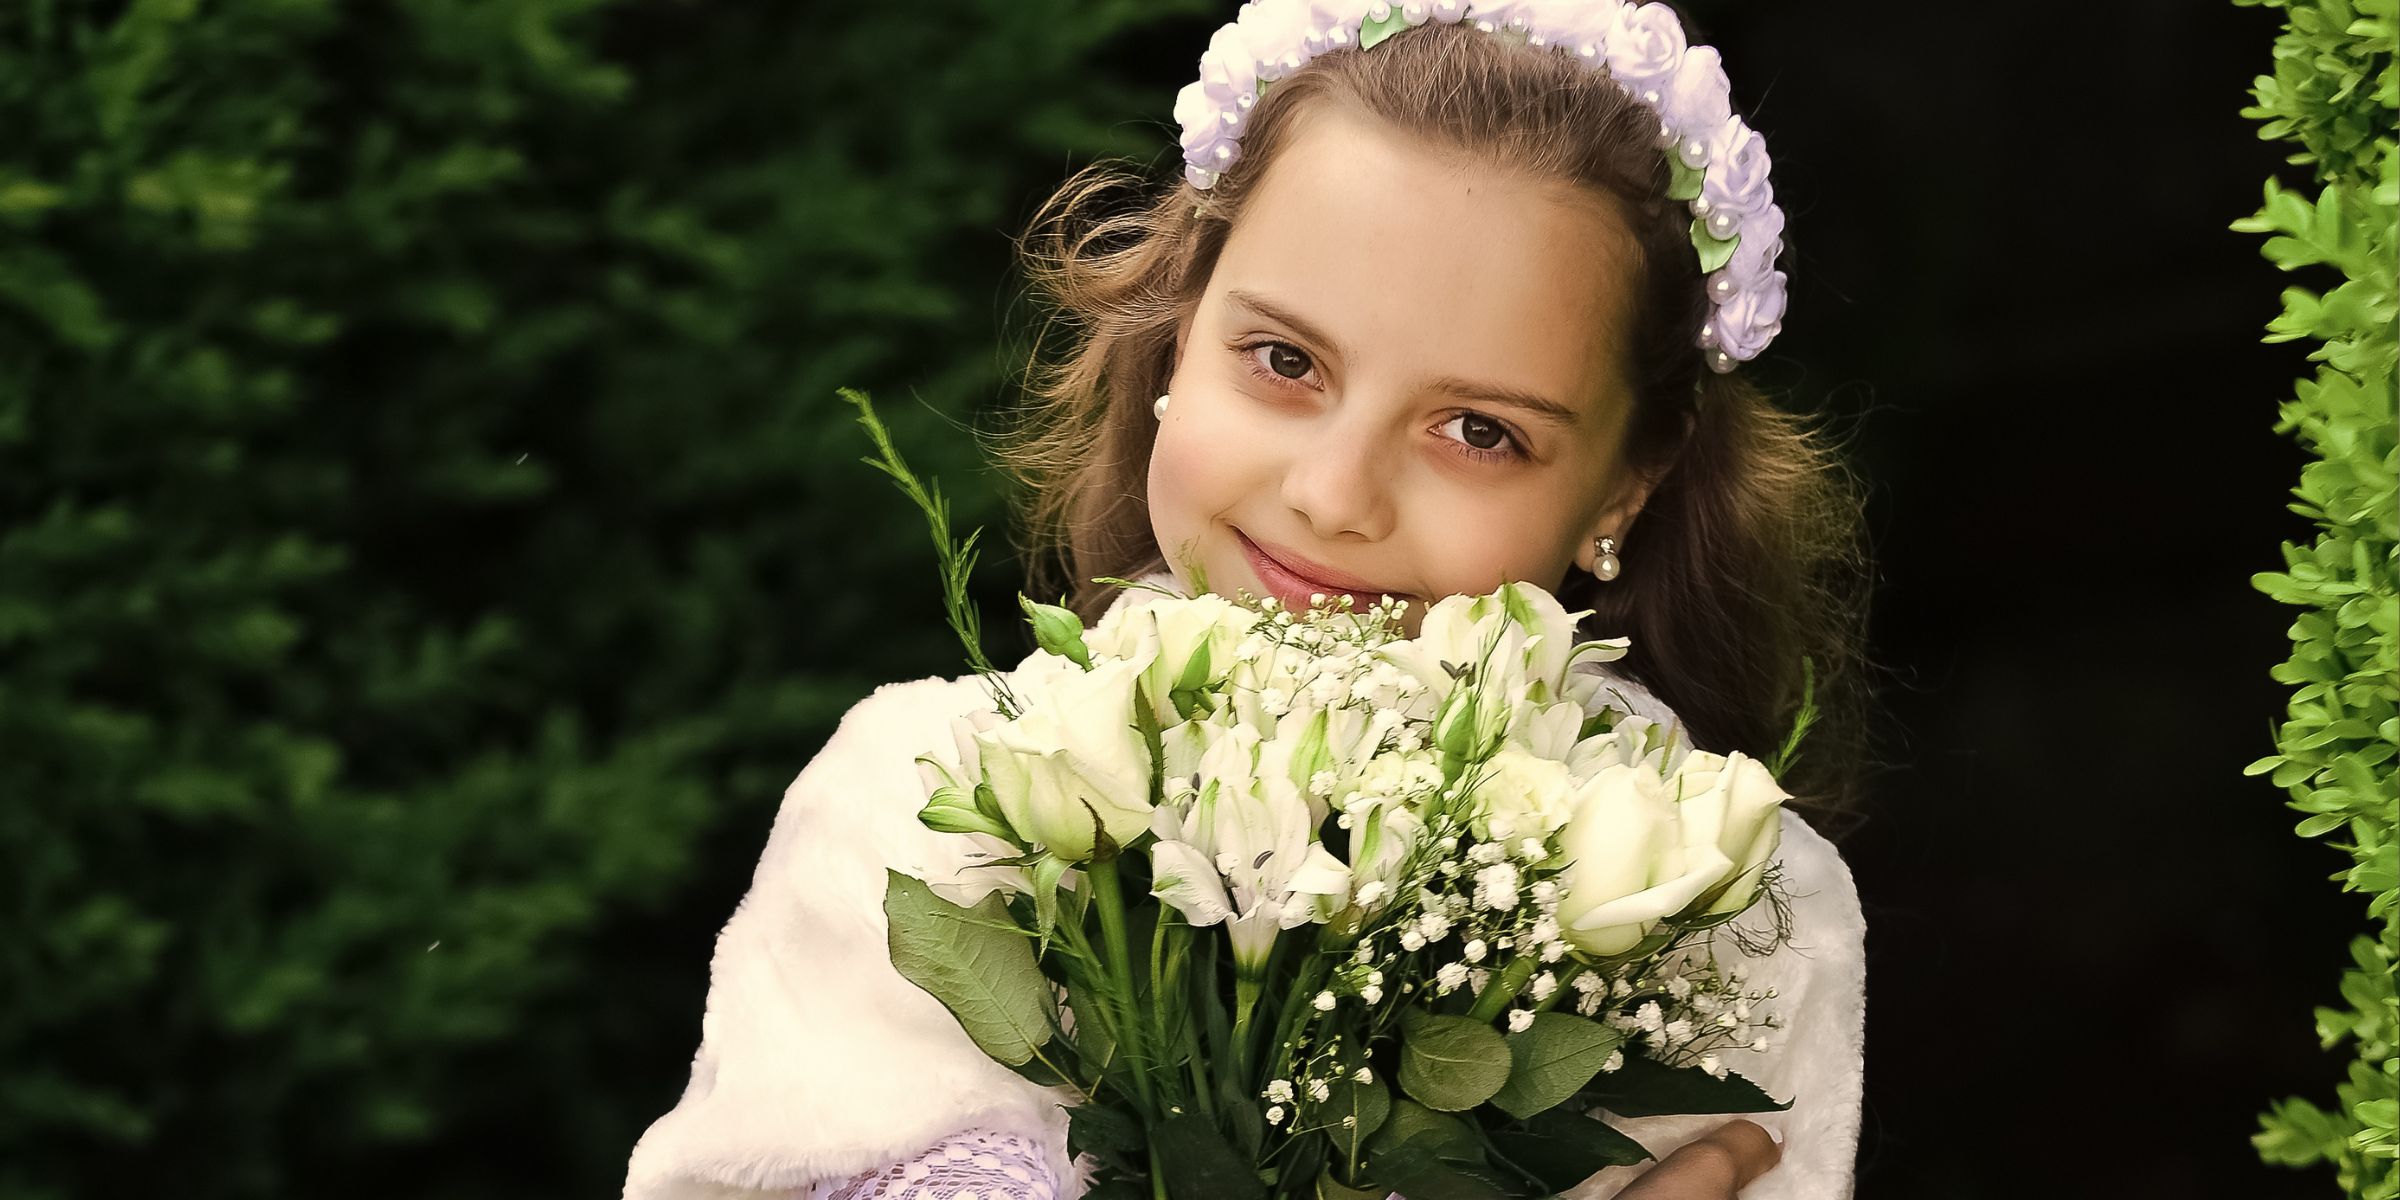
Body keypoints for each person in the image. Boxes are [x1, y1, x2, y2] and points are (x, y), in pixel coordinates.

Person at [623, 1, 1875, 1196]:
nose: (1336, 496)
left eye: (1479, 430)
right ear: (1180, 332)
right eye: (1285, 361)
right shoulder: (918, 797)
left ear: (1625, 487)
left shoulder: (1728, 907)